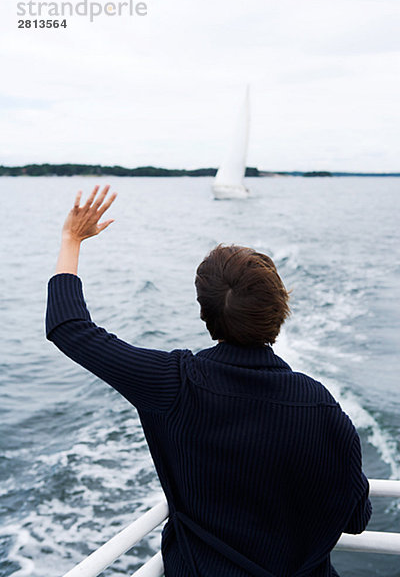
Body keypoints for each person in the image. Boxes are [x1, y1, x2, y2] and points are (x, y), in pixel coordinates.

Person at [45, 185, 371, 577]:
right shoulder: (319, 404)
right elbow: (355, 517)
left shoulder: (175, 384)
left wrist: (71, 240)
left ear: (204, 313)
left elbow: (70, 328)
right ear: (279, 309)